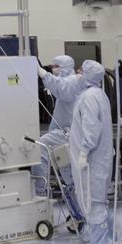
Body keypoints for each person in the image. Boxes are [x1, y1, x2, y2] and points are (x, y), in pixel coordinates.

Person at [69, 59, 114, 244]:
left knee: (93, 200)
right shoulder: (99, 94)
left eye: (81, 71)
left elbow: (91, 129)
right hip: (99, 158)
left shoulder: (89, 97)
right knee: (99, 200)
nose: (78, 74)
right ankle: (105, 239)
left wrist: (84, 152)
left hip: (92, 160)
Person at [33, 54, 83, 198]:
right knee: (66, 165)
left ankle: (40, 192)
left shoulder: (72, 81)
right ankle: (75, 199)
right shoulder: (69, 81)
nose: (54, 69)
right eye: (53, 66)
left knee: (40, 147)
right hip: (66, 132)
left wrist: (42, 73)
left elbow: (60, 87)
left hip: (69, 133)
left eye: (56, 66)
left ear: (66, 67)